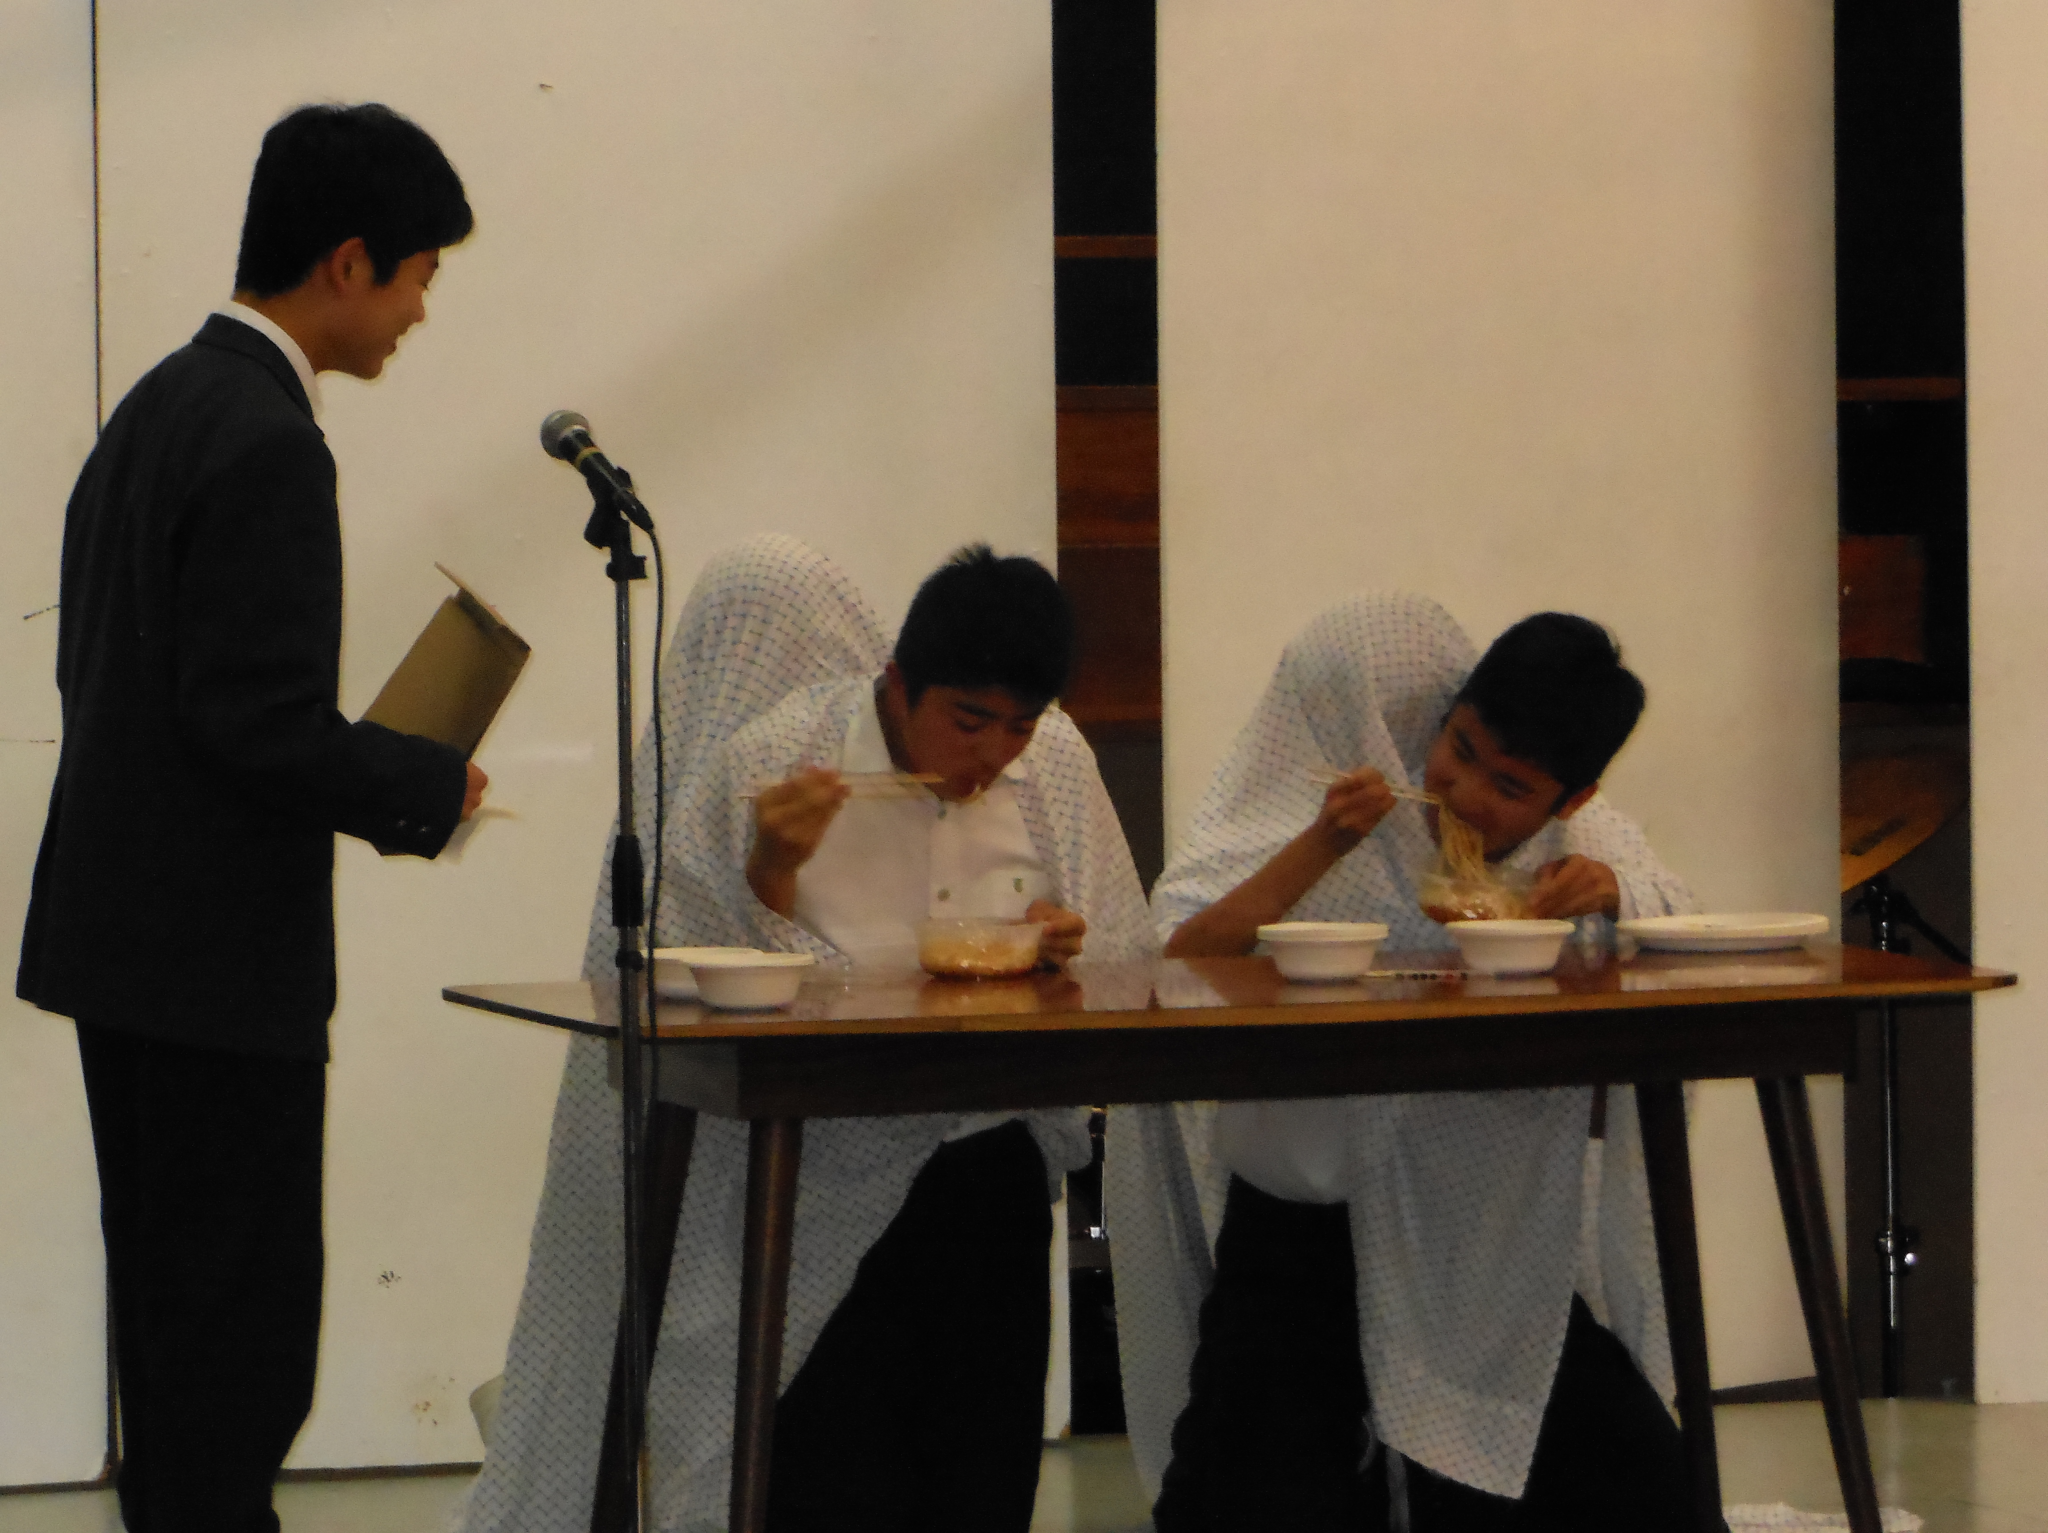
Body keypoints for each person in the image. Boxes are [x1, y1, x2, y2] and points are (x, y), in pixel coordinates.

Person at [460, 540, 1152, 1533]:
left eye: (1019, 725)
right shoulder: (772, 761)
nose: (993, 754)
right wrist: (770, 874)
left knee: (980, 1471)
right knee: (830, 1475)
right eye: (967, 723)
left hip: (982, 1159)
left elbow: (1121, 958)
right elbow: (685, 978)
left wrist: (1058, 958)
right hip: (809, 1169)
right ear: (898, 681)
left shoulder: (1053, 767)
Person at [15, 104, 483, 1532]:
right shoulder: (271, 440)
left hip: (126, 957)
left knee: (175, 1357)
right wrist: (425, 781)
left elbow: (121, 681)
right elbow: (253, 721)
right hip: (217, 977)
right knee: (238, 1358)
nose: (418, 313)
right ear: (347, 262)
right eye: (416, 276)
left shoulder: (158, 408)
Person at [1107, 592, 1697, 1532]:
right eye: (1460, 749)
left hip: (1478, 1232)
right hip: (1302, 1228)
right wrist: (1322, 844)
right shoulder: (1342, 790)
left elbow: (1681, 912)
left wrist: (1615, 892)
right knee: (1252, 1493)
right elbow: (1179, 960)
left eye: (1510, 788)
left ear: (1570, 799)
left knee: (1641, 1489)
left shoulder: (1574, 844)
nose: (1464, 795)